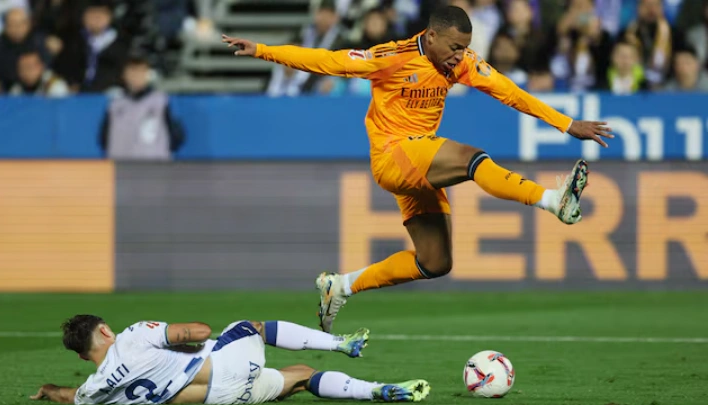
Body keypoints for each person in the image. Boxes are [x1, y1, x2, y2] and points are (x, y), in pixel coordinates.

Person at [222, 5, 613, 333]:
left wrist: (566, 123)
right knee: (470, 158)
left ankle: (339, 286)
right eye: (456, 47)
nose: (461, 56)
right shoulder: (392, 57)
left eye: (466, 49)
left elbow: (510, 92)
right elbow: (329, 61)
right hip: (393, 157)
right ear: (433, 35)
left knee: (435, 262)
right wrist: (262, 49)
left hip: (420, 164)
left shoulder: (460, 65)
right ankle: (551, 200)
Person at [30, 316, 429, 404]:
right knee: (249, 325)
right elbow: (197, 333)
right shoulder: (132, 336)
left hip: (221, 400)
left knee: (300, 377)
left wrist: (49, 390)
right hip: (227, 368)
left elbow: (69, 397)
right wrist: (185, 336)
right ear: (103, 331)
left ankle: (378, 391)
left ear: (83, 355)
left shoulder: (93, 392)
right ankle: (341, 343)